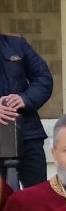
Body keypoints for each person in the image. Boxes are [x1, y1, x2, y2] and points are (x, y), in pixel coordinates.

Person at [0, 29, 54, 188]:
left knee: (38, 196)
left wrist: (25, 99)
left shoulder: (16, 43)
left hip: (28, 134)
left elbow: (43, 78)